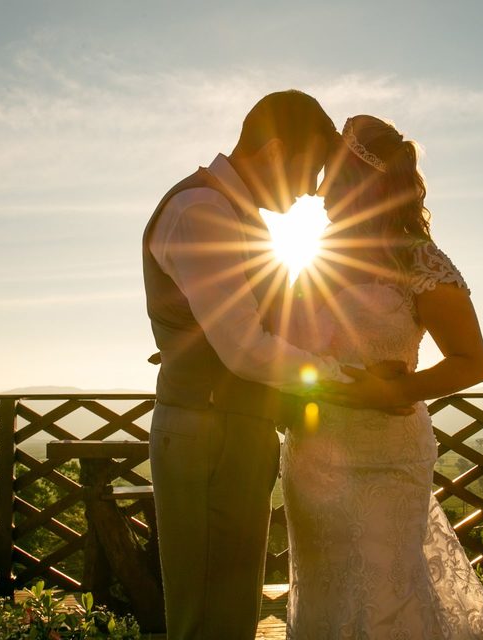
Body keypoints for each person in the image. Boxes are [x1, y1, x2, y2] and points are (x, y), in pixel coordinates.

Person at [142, 91, 403, 639]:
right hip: (208, 432)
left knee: (230, 610)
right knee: (209, 618)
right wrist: (348, 378)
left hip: (232, 429)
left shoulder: (231, 214)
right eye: (310, 168)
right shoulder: (203, 211)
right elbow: (244, 347)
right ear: (278, 150)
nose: (312, 187)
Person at [280, 115, 483, 639]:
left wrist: (395, 389)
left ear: (366, 185)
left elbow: (473, 363)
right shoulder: (313, 256)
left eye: (332, 180)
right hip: (311, 453)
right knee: (323, 595)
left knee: (383, 597)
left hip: (387, 457)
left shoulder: (419, 259)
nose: (317, 192)